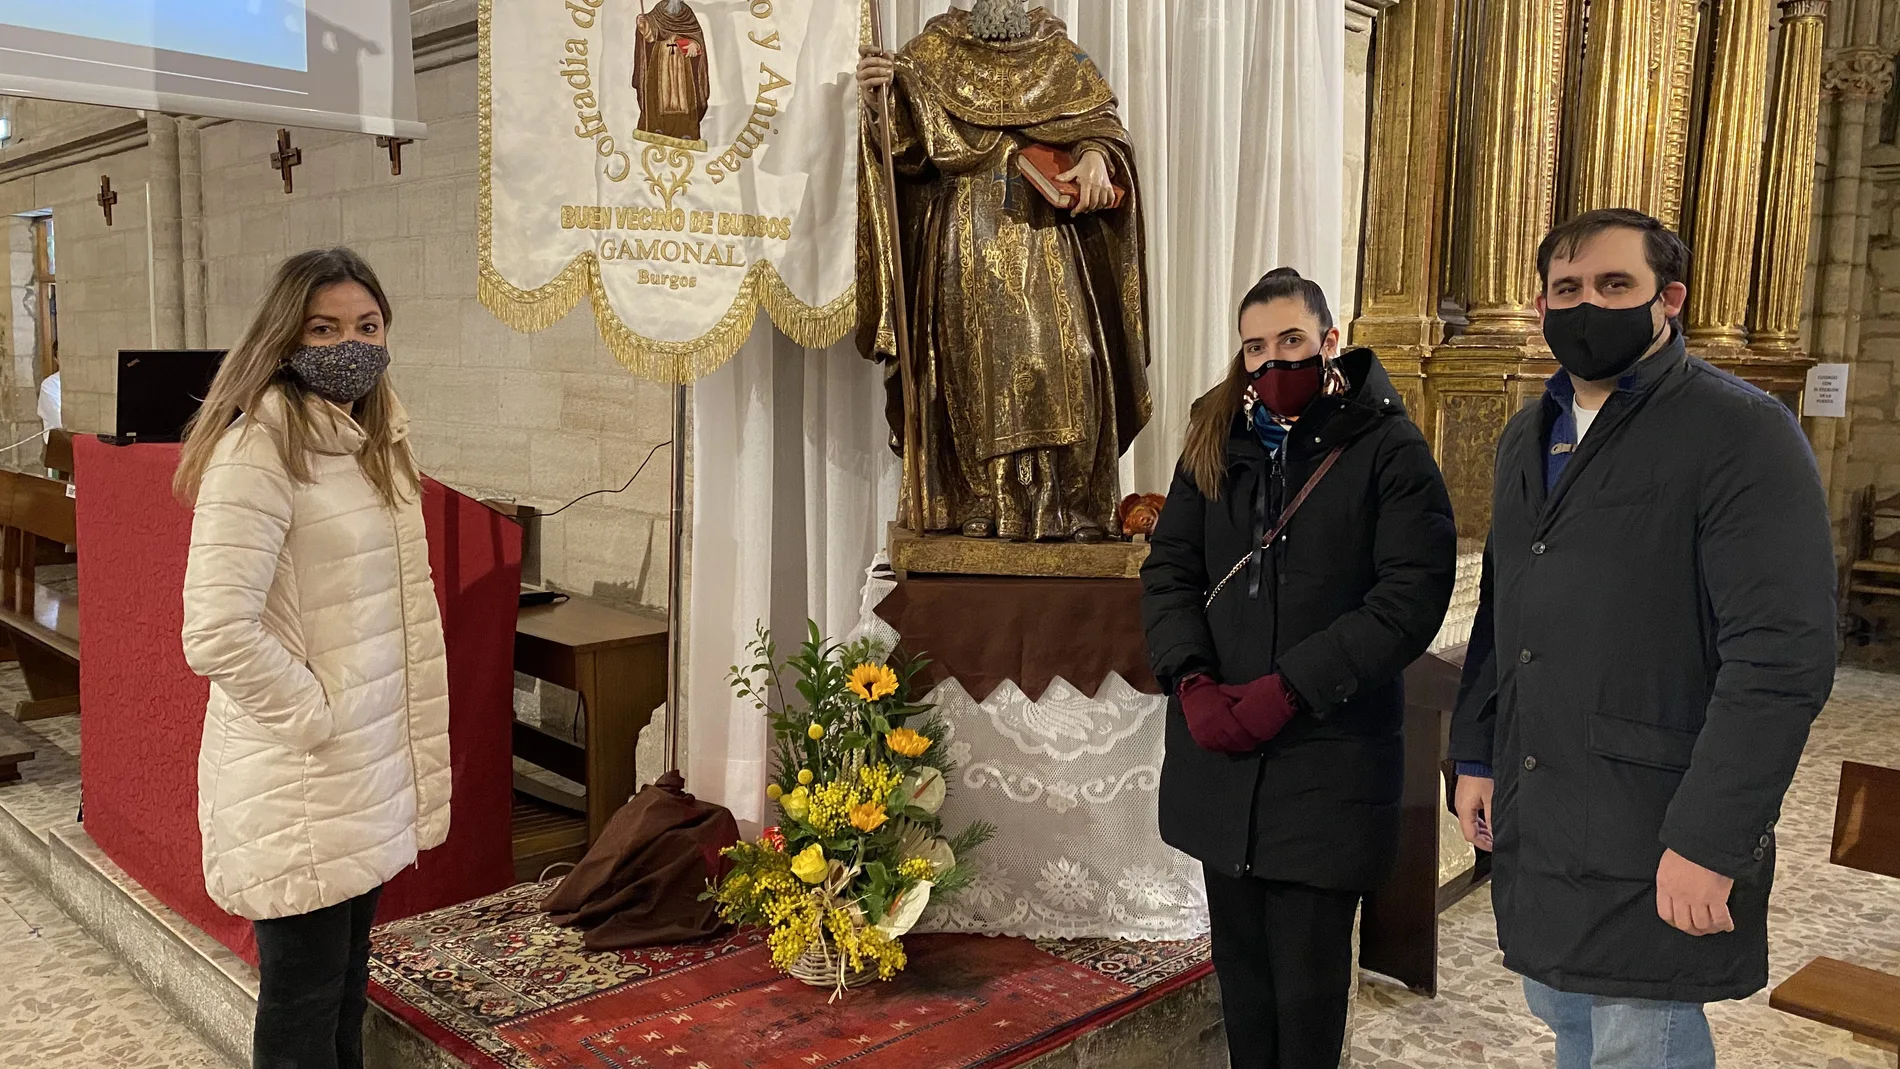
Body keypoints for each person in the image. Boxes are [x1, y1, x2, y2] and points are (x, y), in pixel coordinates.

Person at [1450, 208, 1837, 1069]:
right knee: (1565, 1008)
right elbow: (1504, 608)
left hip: (1652, 811)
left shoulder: (1740, 432)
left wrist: (1709, 838)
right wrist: (1475, 750)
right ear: (1541, 305)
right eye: (1568, 289)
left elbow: (1782, 657)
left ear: (1669, 299)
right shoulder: (1529, 432)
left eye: (1613, 285)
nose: (1588, 304)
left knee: (1639, 1037)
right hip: (1543, 794)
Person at [1141, 268, 1456, 1068]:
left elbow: (1409, 596)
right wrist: (1191, 678)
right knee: (1244, 990)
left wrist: (1292, 687)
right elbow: (1170, 567)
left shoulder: (1387, 447)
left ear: (1329, 341)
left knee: (1307, 999)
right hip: (1222, 765)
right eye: (1256, 345)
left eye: (1290, 341)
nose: (1274, 359)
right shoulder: (1216, 440)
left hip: (1326, 764)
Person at [174, 247, 451, 1069]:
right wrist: (317, 715)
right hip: (298, 774)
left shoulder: (374, 439)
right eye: (324, 328)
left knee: (346, 983)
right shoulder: (259, 446)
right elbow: (218, 628)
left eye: (367, 326)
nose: (350, 344)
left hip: (360, 772)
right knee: (300, 1001)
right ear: (286, 338)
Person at [855, 0, 1152, 543]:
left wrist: (1093, 156)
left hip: (1046, 237)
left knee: (1065, 357)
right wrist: (881, 102)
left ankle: (1066, 505)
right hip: (964, 233)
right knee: (970, 366)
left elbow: (1103, 128)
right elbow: (907, 155)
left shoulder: (1060, 54)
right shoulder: (930, 54)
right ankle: (980, 501)